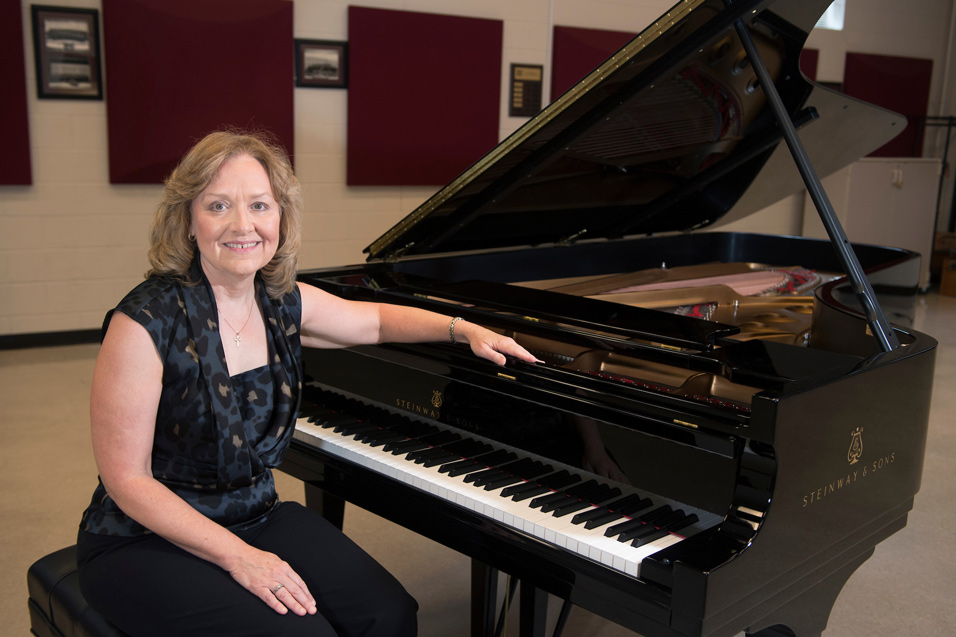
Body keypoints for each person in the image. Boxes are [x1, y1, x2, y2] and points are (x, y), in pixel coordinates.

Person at [76, 130, 539, 637]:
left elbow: (376, 322)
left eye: (259, 205)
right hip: (145, 537)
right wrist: (243, 559)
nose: (243, 225)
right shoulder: (144, 321)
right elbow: (128, 481)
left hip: (255, 514)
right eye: (218, 206)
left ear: (280, 216)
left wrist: (461, 328)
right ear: (187, 219)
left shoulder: (280, 299)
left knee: (388, 614)